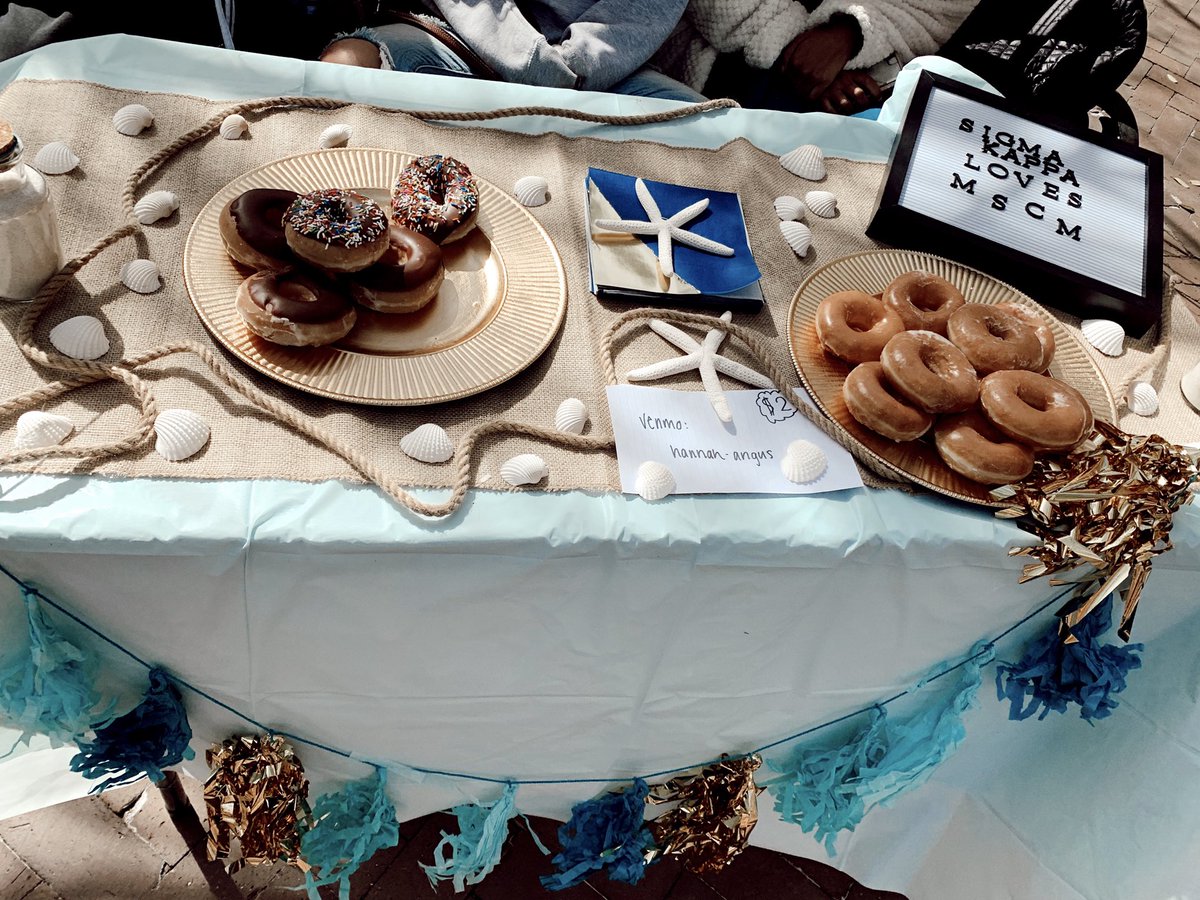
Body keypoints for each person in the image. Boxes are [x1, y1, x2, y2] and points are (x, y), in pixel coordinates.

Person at [320, 1, 705, 102]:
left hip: (601, 73)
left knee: (710, 129)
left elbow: (631, 23)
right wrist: (530, 62)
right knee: (347, 64)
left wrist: (560, 72)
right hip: (465, 39)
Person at [654, 0, 979, 114]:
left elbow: (932, 13)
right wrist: (795, 48)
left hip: (858, 74)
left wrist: (849, 35)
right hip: (712, 54)